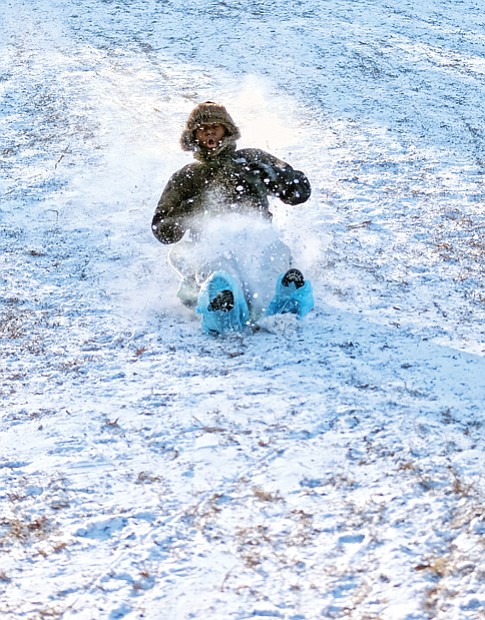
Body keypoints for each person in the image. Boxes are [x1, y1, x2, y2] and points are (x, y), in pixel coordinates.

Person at [151, 101, 314, 334]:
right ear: (193, 135)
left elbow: (300, 193)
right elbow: (162, 230)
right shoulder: (186, 177)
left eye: (215, 125)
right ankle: (222, 305)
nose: (209, 131)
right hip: (209, 246)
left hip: (257, 241)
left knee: (272, 255)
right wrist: (197, 205)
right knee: (218, 268)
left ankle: (284, 300)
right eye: (201, 127)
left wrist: (276, 177)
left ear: (227, 130)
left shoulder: (251, 159)